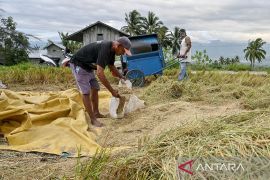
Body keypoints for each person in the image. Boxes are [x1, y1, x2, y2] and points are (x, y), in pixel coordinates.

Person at [70, 37, 132, 128]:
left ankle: (96, 113)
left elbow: (111, 67)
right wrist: (112, 91)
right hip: (78, 65)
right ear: (118, 46)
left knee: (95, 87)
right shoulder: (105, 48)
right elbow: (100, 73)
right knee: (86, 92)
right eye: (123, 50)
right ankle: (93, 119)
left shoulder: (112, 51)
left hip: (88, 66)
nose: (123, 53)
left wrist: (121, 77)